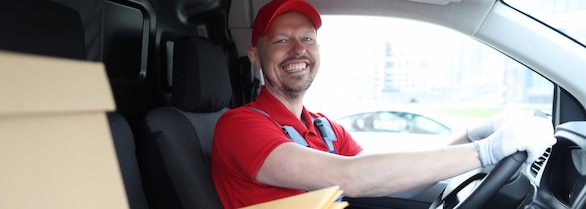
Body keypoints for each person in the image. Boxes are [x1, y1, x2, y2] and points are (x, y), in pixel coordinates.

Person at [210, 0, 557, 208]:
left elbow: (388, 179)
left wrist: (468, 137)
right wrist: (486, 152)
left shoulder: (322, 126)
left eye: (308, 39)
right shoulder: (239, 126)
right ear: (255, 56)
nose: (298, 50)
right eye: (281, 40)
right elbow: (350, 177)